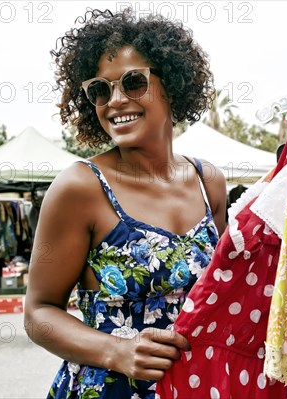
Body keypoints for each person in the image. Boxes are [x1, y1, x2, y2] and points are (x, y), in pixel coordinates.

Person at [24, 8, 227, 399]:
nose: (115, 101)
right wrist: (117, 350)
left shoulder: (209, 183)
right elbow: (39, 312)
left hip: (197, 386)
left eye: (133, 82)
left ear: (172, 85)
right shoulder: (80, 188)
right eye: (100, 90)